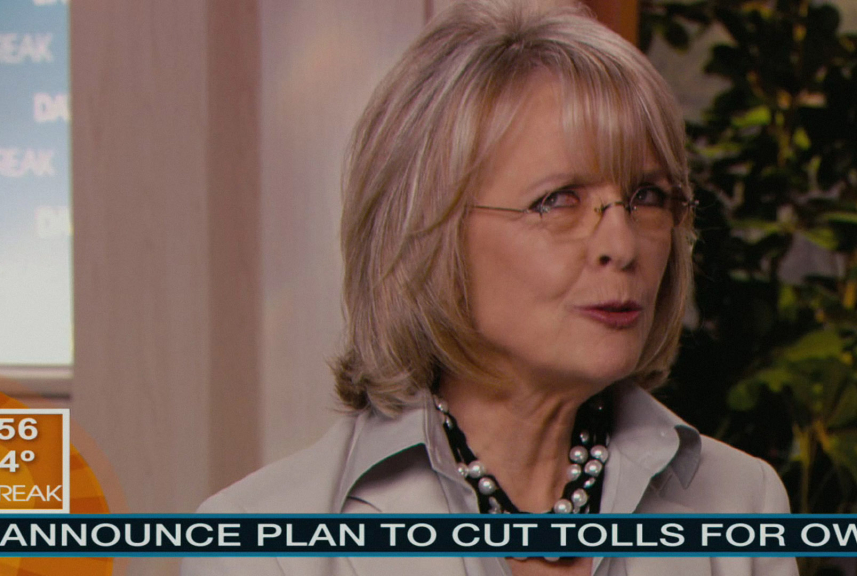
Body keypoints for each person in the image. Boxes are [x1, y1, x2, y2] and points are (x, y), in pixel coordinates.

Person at [182, 1, 797, 575]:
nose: (623, 243)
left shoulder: (743, 505)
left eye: (648, 197)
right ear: (428, 233)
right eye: (557, 200)